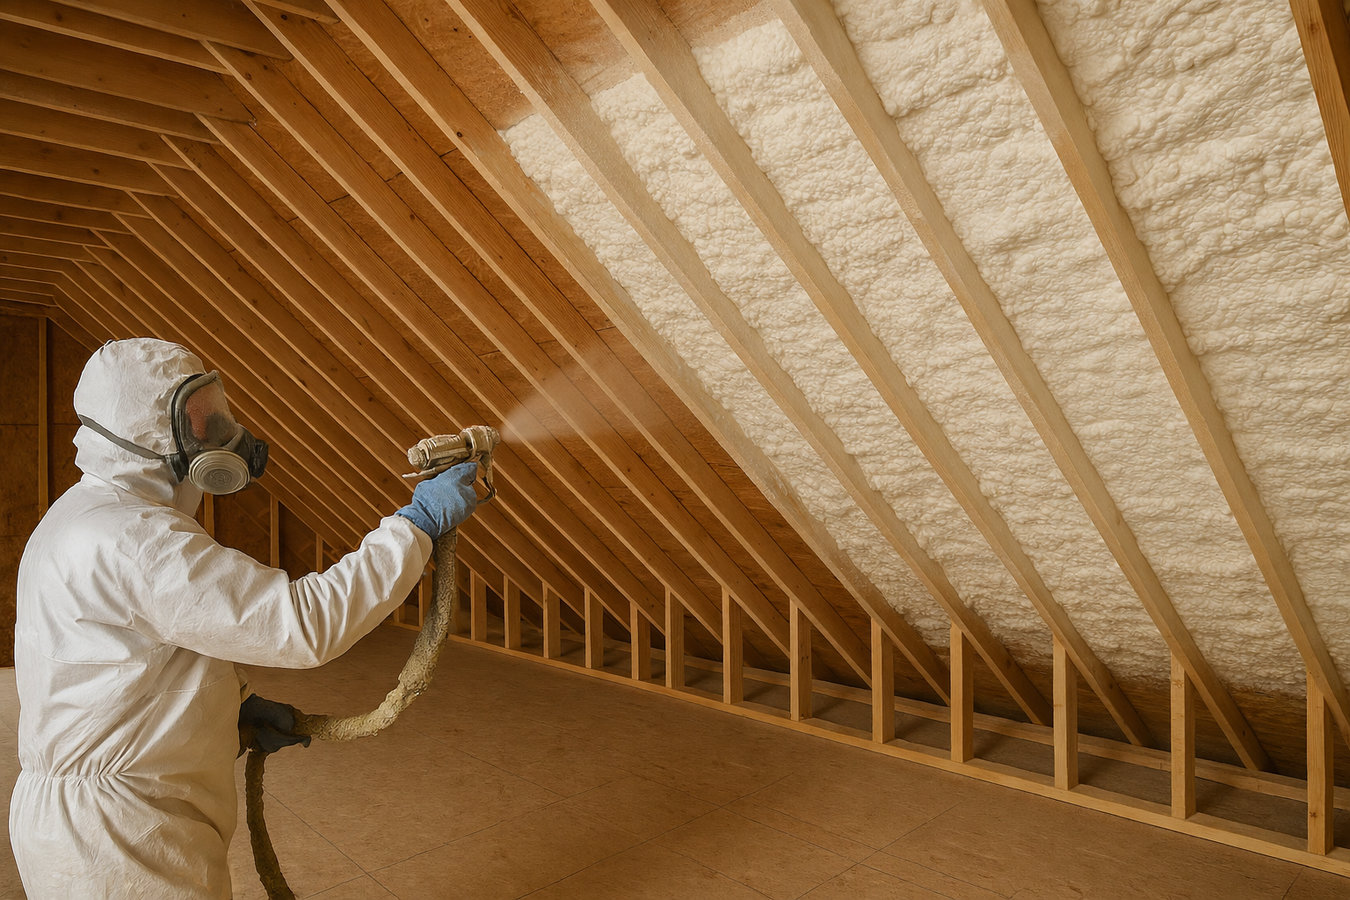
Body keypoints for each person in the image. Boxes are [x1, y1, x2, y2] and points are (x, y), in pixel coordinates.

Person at [9, 337, 480, 898]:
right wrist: (416, 525)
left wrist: (224, 713)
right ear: (149, 434)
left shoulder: (88, 515)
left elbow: (127, 668)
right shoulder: (133, 539)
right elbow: (303, 624)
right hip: (121, 840)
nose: (222, 434)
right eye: (200, 422)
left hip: (104, 819)